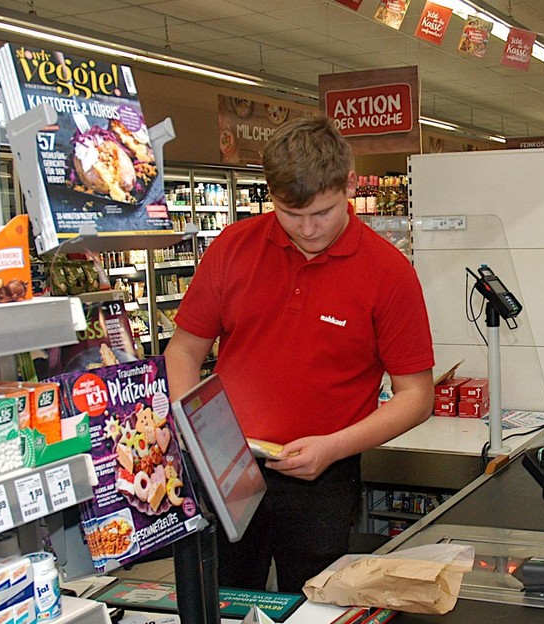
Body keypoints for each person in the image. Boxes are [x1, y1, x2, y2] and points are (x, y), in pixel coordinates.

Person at [165, 116, 435, 592]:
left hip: (323, 477)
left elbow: (417, 395)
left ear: (350, 184)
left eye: (324, 212)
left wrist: (333, 447)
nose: (308, 230)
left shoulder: (389, 273)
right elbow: (184, 350)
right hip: (228, 464)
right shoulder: (232, 247)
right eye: (292, 214)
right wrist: (192, 431)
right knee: (222, 604)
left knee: (312, 610)